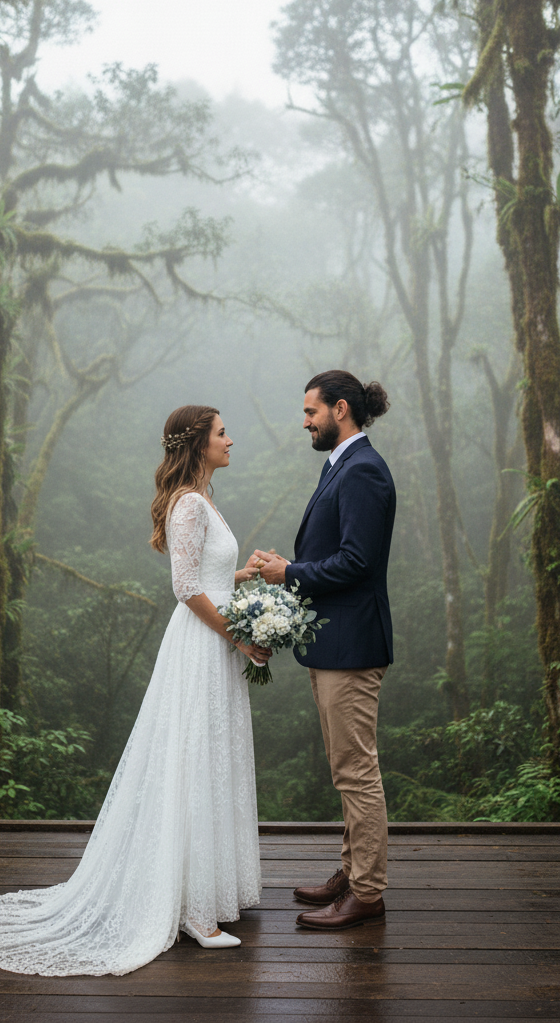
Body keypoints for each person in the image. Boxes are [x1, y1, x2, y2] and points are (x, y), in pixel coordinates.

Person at [0, 405, 269, 976]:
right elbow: (185, 588)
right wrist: (241, 637)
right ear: (198, 444)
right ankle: (194, 913)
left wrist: (242, 578)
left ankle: (205, 890)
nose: (231, 440)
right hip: (204, 645)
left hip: (216, 641)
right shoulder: (188, 503)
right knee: (194, 761)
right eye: (223, 433)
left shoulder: (204, 498)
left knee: (214, 758)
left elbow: (209, 577)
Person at [255, 370, 395, 931]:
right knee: (346, 769)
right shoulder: (341, 465)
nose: (305, 422)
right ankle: (352, 871)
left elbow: (358, 561)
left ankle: (368, 891)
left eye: (311, 412)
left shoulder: (364, 470)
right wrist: (288, 571)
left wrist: (289, 572)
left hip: (352, 645)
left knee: (357, 771)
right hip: (332, 642)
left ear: (340, 409)